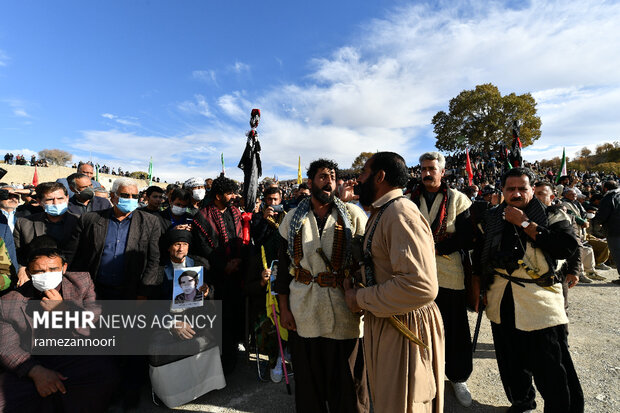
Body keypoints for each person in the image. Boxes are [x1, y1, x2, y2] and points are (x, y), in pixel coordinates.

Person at [343, 152, 445, 413]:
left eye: (363, 173)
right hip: (389, 320)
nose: (358, 180)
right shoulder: (382, 211)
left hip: (405, 326)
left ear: (380, 177)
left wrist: (360, 299)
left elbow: (420, 285)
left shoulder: (400, 213)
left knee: (403, 406)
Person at [477, 168, 583, 412]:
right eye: (510, 189)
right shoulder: (493, 217)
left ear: (531, 189)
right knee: (510, 360)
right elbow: (481, 255)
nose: (516, 193)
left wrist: (524, 223)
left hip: (539, 300)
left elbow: (565, 248)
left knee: (551, 364)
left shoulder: (552, 213)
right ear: (502, 191)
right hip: (501, 297)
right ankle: (522, 400)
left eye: (521, 188)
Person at [274, 159, 370, 413]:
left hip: (344, 308)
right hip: (303, 308)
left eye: (332, 176)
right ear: (310, 182)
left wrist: (362, 297)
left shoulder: (353, 215)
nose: (329, 181)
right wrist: (284, 309)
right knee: (309, 385)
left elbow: (366, 264)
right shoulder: (292, 219)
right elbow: (283, 272)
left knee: (349, 384)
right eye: (322, 176)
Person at [0, 244, 119, 412]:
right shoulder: (9, 302)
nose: (47, 275)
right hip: (32, 360)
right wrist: (36, 372)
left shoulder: (81, 283)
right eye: (40, 272)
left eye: (53, 269)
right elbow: (7, 347)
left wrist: (63, 311)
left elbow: (94, 326)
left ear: (64, 268)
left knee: (105, 374)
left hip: (73, 356)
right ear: (28, 273)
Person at [408, 151, 475, 407]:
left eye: (431, 169)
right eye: (423, 169)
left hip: (449, 274)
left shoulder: (459, 199)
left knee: (454, 328)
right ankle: (423, 376)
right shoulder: (408, 199)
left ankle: (458, 377)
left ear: (442, 172)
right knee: (418, 327)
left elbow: (467, 236)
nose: (426, 173)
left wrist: (435, 248)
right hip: (416, 273)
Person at [65, 177, 161, 300]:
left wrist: (144, 291)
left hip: (130, 291)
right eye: (125, 195)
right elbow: (74, 254)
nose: (130, 199)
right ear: (113, 195)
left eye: (135, 196)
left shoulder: (150, 222)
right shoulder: (90, 219)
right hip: (94, 290)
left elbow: (153, 260)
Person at [191, 176, 246, 374]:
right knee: (222, 321)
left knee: (237, 316)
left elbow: (242, 238)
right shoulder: (202, 217)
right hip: (216, 277)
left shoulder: (235, 212)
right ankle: (224, 364)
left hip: (237, 274)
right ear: (217, 196)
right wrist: (224, 266)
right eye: (229, 193)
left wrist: (238, 261)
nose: (233, 196)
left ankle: (236, 355)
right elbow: (204, 249)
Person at [13, 182, 80, 286]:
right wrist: (22, 268)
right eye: (49, 200)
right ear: (39, 201)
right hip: (36, 279)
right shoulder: (24, 223)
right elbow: (17, 252)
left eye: (60, 198)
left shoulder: (80, 222)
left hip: (71, 280)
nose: (56, 203)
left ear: (67, 198)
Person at [158, 228, 211, 301]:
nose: (181, 249)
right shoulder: (159, 268)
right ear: (169, 248)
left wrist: (206, 292)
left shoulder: (200, 264)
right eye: (177, 244)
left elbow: (211, 290)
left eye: (185, 244)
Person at [591, 180, 620, 284]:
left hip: (614, 230)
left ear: (606, 189)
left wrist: (596, 221)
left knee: (617, 252)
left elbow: (602, 216)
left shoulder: (608, 198)